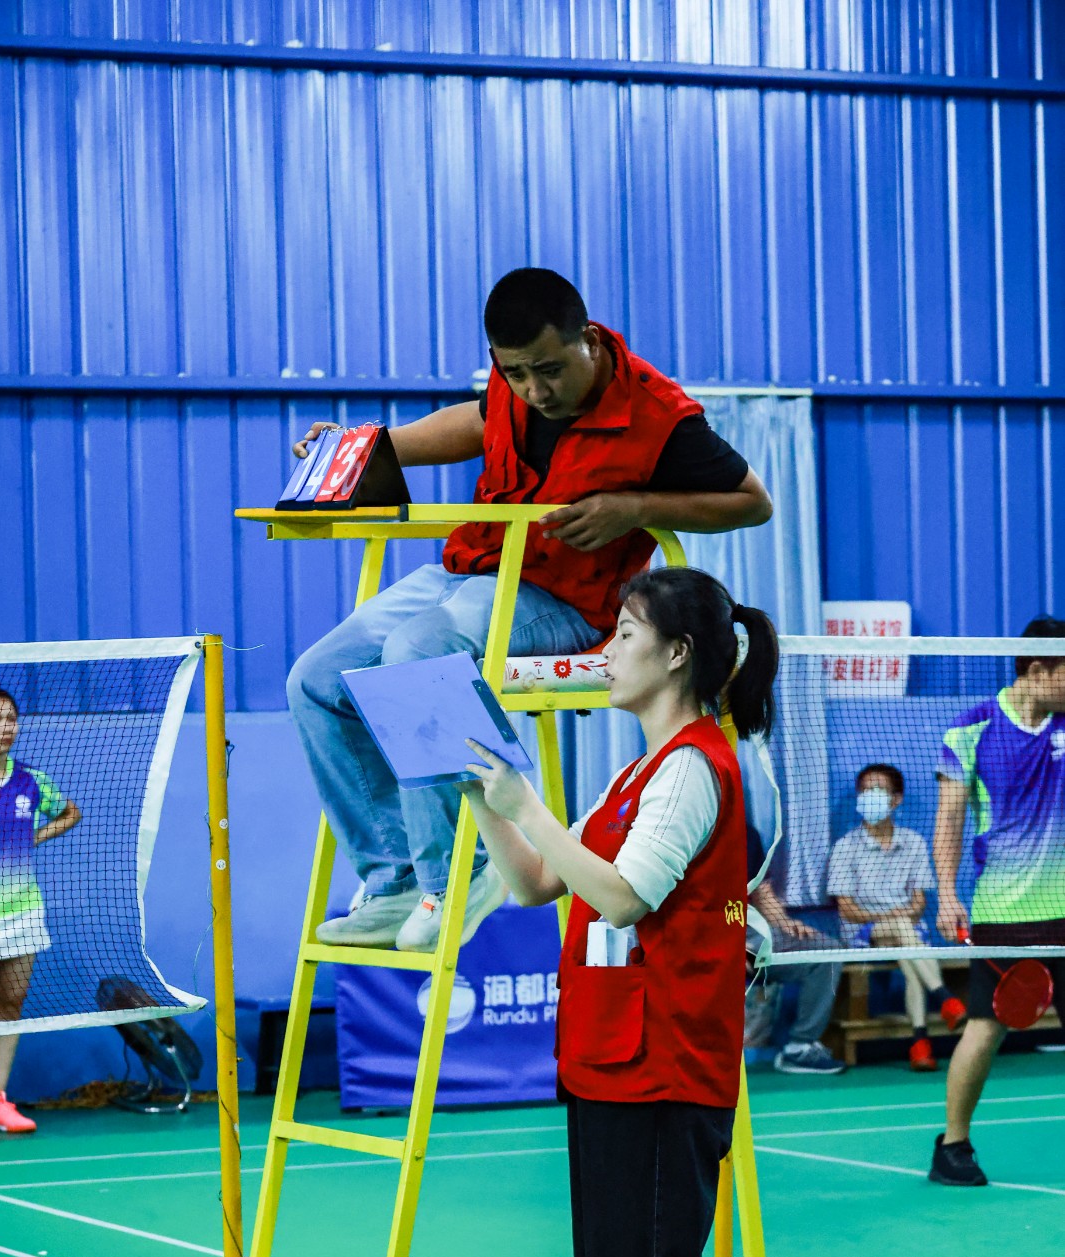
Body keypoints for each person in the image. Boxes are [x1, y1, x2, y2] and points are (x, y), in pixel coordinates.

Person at [286, 267, 772, 954]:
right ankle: (395, 880)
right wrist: (361, 450)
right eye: (514, 374)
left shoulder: (661, 417)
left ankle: (460, 876)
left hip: (565, 601)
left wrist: (637, 507)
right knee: (314, 678)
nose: (534, 391)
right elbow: (472, 422)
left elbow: (753, 502)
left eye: (549, 371)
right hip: (472, 572)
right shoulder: (511, 390)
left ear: (588, 341)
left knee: (415, 654)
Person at [461, 567, 774, 1257]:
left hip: (666, 1066)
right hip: (605, 1060)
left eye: (625, 633)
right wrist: (485, 800)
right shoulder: (634, 773)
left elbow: (626, 895)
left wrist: (529, 803)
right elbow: (537, 882)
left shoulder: (694, 768)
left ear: (676, 654)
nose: (606, 652)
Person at [930, 618, 1065, 1186]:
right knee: (985, 1027)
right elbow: (950, 820)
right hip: (1004, 910)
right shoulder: (972, 729)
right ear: (1037, 670)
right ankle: (953, 1146)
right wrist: (946, 894)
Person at [827, 764, 966, 1071]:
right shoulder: (845, 847)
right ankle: (943, 998)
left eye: (878, 790)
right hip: (861, 934)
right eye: (865, 791)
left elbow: (919, 904)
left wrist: (897, 917)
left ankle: (920, 1042)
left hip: (906, 933)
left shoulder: (913, 842)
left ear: (896, 799)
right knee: (909, 935)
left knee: (909, 954)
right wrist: (892, 916)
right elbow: (847, 910)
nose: (869, 796)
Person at [0, 689, 82, 1134]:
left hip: (22, 913)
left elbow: (70, 813)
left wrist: (36, 836)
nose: (5, 728)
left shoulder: (31, 781)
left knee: (11, 1005)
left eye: (10, 719)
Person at [744, 822, 846, 1074]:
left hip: (749, 933)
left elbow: (762, 891)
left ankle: (799, 1047)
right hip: (705, 935)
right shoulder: (689, 829)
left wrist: (785, 923)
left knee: (826, 950)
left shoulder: (745, 833)